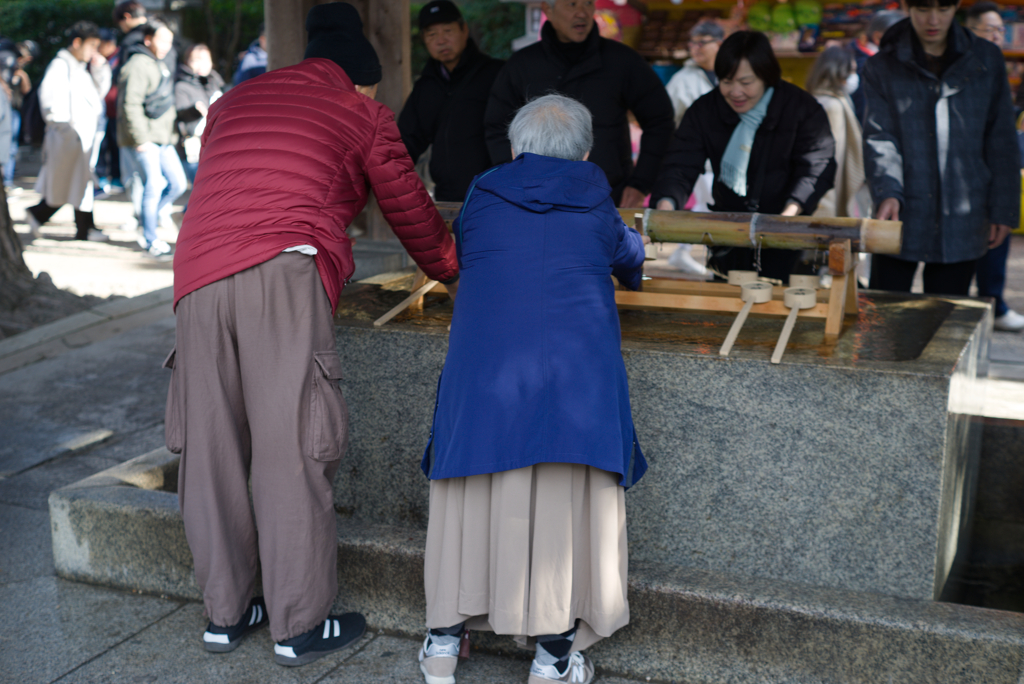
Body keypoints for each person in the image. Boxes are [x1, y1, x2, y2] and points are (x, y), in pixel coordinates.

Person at [166, 2, 459, 668]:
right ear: (361, 77)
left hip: (196, 276)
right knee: (290, 445)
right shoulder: (361, 112)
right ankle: (297, 624)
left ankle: (225, 613)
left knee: (208, 447)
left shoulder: (233, 103)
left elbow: (228, 188)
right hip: (282, 272)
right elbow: (409, 207)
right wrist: (452, 269)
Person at [417, 93, 646, 684]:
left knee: (468, 499)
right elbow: (630, 259)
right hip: (577, 389)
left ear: (516, 148)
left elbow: (471, 250)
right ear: (586, 153)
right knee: (566, 509)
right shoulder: (597, 202)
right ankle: (553, 658)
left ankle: (442, 645)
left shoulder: (482, 194)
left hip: (485, 382)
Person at [651, 31, 836, 282]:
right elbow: (680, 163)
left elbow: (816, 165)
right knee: (727, 296)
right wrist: (666, 206)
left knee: (779, 298)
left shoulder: (800, 108)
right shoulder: (706, 110)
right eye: (726, 81)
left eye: (746, 82)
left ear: (766, 76)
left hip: (787, 230)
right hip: (726, 230)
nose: (735, 92)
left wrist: (788, 216)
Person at [862, 1, 1019, 296]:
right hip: (901, 208)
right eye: (923, 8)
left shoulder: (986, 58)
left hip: (965, 209)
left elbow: (1001, 137)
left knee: (946, 313)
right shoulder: (882, 65)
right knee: (884, 311)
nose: (933, 20)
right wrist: (888, 192)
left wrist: (1003, 208)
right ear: (907, 6)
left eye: (943, 8)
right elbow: (880, 136)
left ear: (956, 6)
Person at [484, 0, 674, 208]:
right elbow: (497, 126)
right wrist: (514, 182)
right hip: (535, 200)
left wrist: (641, 183)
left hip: (608, 196)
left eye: (588, 3)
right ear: (548, 10)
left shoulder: (622, 60)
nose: (582, 13)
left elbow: (660, 120)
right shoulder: (522, 64)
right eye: (572, 4)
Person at [398, 0, 504, 202]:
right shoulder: (425, 87)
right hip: (446, 196)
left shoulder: (495, 75)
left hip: (493, 194)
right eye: (432, 34)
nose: (441, 40)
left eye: (448, 31)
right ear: (424, 40)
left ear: (464, 30)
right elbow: (406, 141)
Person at [965, 2, 1024, 330]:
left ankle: (994, 303)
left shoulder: (996, 65)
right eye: (991, 30)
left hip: (998, 170)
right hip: (970, 173)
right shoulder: (965, 67)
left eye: (1001, 30)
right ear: (970, 31)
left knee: (997, 235)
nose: (998, 36)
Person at [25, 21, 109, 242]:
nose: (93, 51)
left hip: (77, 138)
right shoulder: (60, 66)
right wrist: (67, 131)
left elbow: (96, 96)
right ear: (77, 42)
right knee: (69, 186)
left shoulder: (78, 67)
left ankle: (82, 228)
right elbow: (50, 103)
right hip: (68, 138)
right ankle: (48, 217)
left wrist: (100, 69)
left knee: (76, 185)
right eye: (91, 46)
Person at [117, 20, 187, 257]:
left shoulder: (158, 62)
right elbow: (130, 104)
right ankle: (150, 239)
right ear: (148, 40)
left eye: (169, 41)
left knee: (177, 183)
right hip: (146, 138)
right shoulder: (138, 64)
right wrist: (141, 139)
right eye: (162, 40)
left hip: (163, 137)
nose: (166, 45)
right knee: (154, 186)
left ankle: (145, 220)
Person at [662, 20, 725, 275]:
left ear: (719, 44)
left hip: (727, 157)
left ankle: (683, 252)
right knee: (709, 206)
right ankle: (688, 253)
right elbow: (666, 119)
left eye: (702, 42)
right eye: (692, 42)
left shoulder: (729, 73)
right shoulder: (682, 79)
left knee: (708, 206)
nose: (695, 48)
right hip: (697, 159)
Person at [805, 46, 869, 219]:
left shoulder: (819, 99)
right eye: (851, 71)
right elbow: (831, 161)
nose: (854, 77)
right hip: (828, 194)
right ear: (838, 72)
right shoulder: (832, 106)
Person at [175, 43, 224, 184]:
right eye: (196, 60)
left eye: (205, 60)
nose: (201, 64)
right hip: (193, 147)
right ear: (187, 62)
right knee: (201, 188)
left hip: (217, 145)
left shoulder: (216, 83)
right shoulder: (182, 86)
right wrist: (194, 110)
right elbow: (180, 113)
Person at [849, 10, 905, 121]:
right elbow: (865, 112)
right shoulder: (867, 66)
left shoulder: (862, 57)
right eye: (899, 37)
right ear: (878, 37)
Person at [0, 40, 35, 191]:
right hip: (5, 109)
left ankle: (7, 181)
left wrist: (21, 74)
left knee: (11, 147)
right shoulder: (6, 59)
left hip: (14, 111)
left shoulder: (18, 70)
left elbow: (27, 91)